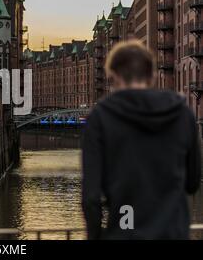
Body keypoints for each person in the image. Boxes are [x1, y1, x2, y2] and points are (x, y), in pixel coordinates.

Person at [82, 40, 201, 240]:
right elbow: (192, 183)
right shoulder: (182, 114)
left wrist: (96, 236)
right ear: (152, 76)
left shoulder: (100, 118)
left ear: (114, 76)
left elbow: (91, 198)